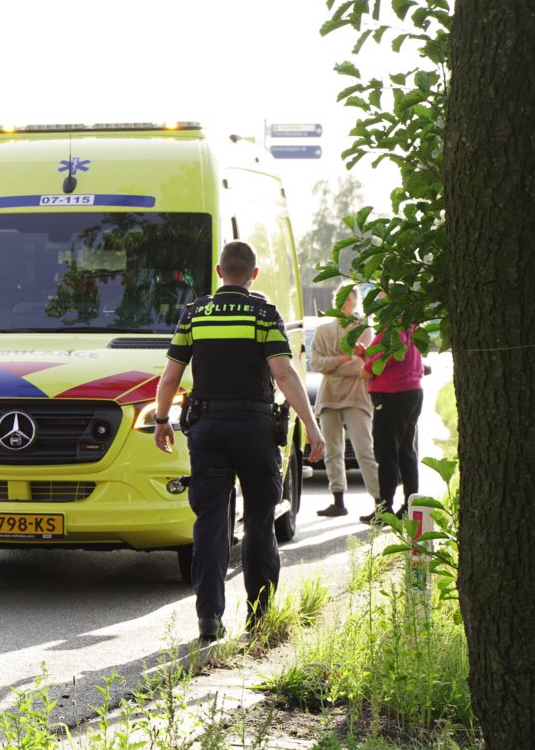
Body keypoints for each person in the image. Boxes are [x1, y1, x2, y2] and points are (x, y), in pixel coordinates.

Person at [152, 241, 326, 642]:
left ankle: (209, 620)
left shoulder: (195, 314)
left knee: (210, 525)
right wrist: (312, 428)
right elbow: (283, 374)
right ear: (254, 274)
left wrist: (162, 420)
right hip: (254, 429)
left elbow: (170, 377)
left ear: (218, 271)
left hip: (208, 431)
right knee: (260, 522)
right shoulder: (263, 313)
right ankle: (259, 618)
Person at [308, 286, 381, 517]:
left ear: (356, 301)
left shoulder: (364, 329)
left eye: (349, 298)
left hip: (356, 396)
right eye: (341, 298)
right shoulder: (323, 330)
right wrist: (344, 358)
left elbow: (362, 366)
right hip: (329, 396)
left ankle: (380, 502)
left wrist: (334, 365)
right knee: (332, 450)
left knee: (364, 449)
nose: (345, 303)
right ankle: (338, 499)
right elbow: (316, 364)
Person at [363, 310, 424, 523]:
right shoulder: (411, 330)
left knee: (386, 451)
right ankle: (410, 506)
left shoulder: (395, 331)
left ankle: (384, 508)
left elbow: (387, 356)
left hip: (393, 395)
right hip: (410, 392)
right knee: (405, 450)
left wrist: (367, 368)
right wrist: (365, 355)